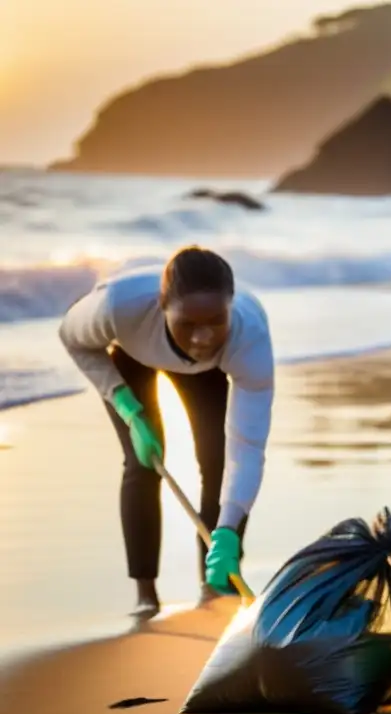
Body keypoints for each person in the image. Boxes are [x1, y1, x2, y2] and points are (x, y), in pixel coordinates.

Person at [59, 246, 275, 619]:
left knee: (218, 461)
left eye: (215, 320)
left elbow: (248, 447)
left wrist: (227, 528)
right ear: (162, 305)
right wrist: (124, 403)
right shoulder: (117, 305)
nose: (203, 336)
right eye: (189, 323)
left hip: (207, 372)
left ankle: (216, 583)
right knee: (142, 462)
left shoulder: (248, 336)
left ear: (230, 306)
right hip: (131, 356)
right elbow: (72, 338)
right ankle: (146, 592)